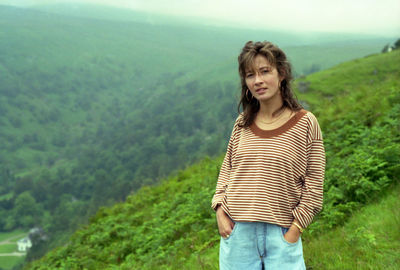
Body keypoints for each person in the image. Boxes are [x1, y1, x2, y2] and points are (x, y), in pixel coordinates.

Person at [211, 41, 326, 270]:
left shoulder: (305, 123)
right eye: (250, 75)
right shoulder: (242, 123)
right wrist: (219, 211)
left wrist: (294, 231)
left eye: (265, 71)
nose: (258, 81)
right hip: (238, 235)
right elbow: (227, 170)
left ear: (281, 73)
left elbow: (314, 184)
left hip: (282, 235)